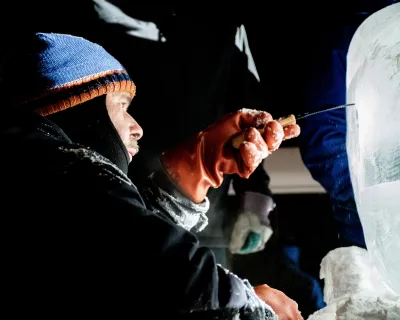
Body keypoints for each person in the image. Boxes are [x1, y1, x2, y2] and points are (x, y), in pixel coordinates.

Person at [0, 32, 302, 319]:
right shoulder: (57, 167)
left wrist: (197, 168)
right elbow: (164, 275)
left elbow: (123, 254)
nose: (137, 127)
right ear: (79, 106)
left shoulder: (45, 177)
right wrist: (249, 305)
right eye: (120, 106)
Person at [6, 1, 280, 265]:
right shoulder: (75, 14)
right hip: (102, 200)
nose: (138, 127)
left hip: (196, 209)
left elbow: (248, 109)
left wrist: (245, 187)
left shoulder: (223, 20)